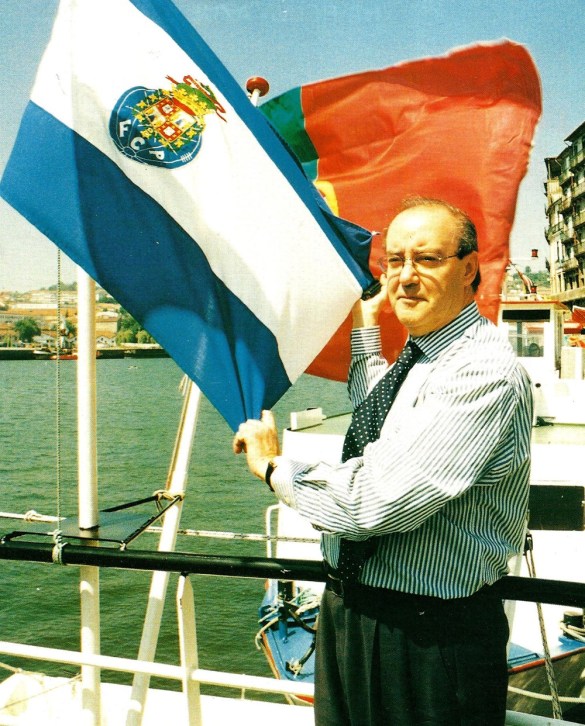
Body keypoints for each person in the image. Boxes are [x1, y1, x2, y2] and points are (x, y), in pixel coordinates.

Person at [233, 197, 533, 726]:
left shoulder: (480, 372)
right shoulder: (422, 360)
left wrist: (274, 467)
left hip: (427, 638)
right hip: (353, 612)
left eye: (427, 259)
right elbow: (379, 409)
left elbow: (372, 502)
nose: (406, 277)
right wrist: (365, 327)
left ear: (469, 269)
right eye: (395, 261)